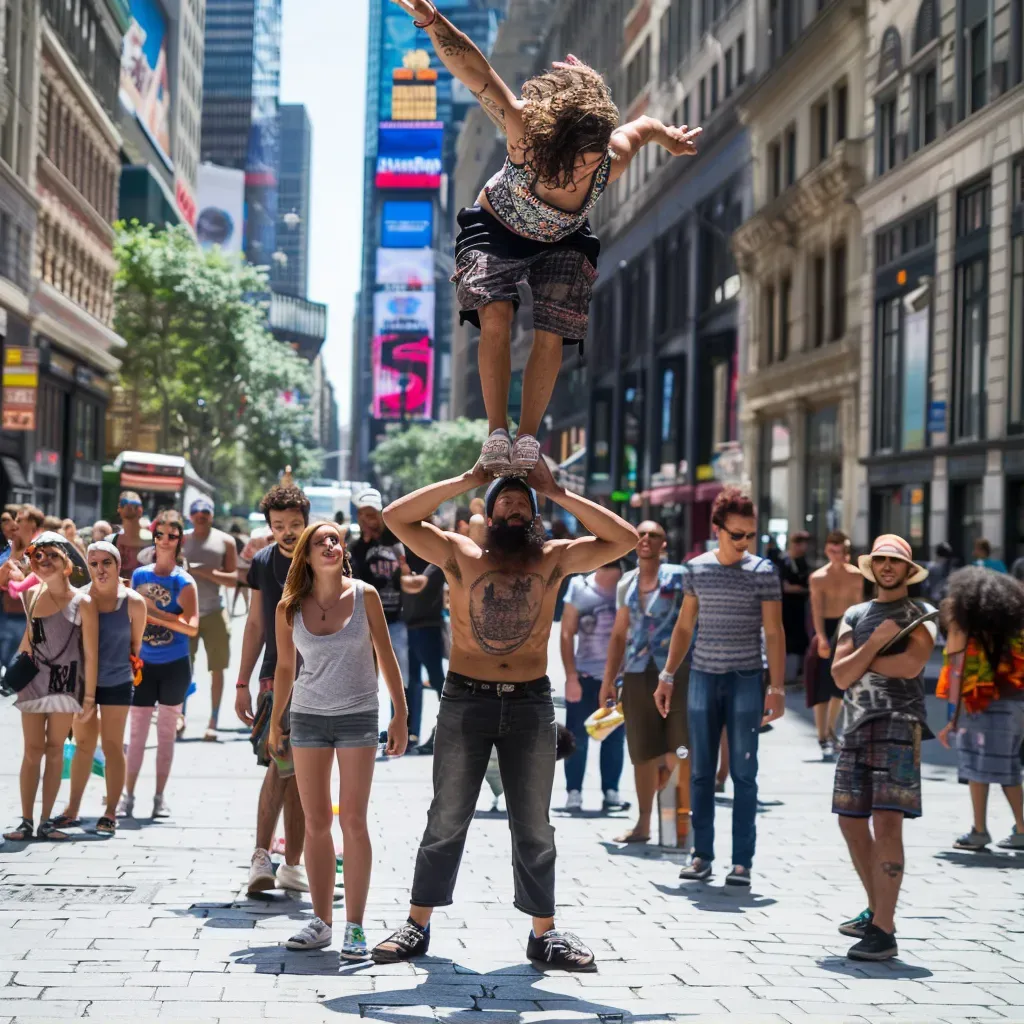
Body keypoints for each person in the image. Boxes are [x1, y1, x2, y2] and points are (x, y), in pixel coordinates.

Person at [388, 0, 700, 477]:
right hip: (496, 231)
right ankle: (497, 433)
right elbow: (477, 72)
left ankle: (528, 438)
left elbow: (644, 127)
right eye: (579, 160)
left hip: (563, 238)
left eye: (595, 159)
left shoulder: (610, 157)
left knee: (551, 332)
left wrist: (670, 139)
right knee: (496, 316)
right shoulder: (523, 134)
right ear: (552, 145)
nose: (587, 169)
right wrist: (433, 22)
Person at [370, 456, 637, 969]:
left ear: (534, 519)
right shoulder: (460, 553)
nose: (515, 509)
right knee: (446, 818)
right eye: (505, 503)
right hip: (465, 698)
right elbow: (396, 518)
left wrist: (555, 491)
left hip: (531, 702)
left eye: (524, 505)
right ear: (489, 515)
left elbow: (623, 540)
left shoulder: (553, 557)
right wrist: (469, 479)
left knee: (534, 824)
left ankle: (545, 935)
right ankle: (416, 924)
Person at [269, 521, 408, 958]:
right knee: (316, 823)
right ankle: (321, 920)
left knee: (353, 821)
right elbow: (286, 669)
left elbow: (386, 656)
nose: (330, 544)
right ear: (306, 556)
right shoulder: (289, 606)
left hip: (358, 716)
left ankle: (356, 926)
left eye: (334, 539)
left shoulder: (366, 596)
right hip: (308, 717)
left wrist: (401, 714)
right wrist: (276, 720)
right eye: (320, 541)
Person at [660, 488, 786, 887]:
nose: (744, 542)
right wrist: (666, 675)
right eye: (737, 534)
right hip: (702, 676)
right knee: (700, 771)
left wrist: (778, 688)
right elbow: (684, 626)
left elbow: (774, 630)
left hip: (747, 678)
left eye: (750, 535)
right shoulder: (696, 569)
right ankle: (701, 855)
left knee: (745, 772)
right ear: (717, 530)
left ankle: (742, 862)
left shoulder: (763, 571)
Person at [830, 534, 937, 961]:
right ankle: (878, 912)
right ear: (871, 567)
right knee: (851, 821)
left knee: (887, 822)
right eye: (880, 560)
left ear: (909, 570)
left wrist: (859, 660)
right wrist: (874, 645)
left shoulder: (921, 613)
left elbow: (911, 665)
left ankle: (884, 931)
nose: (887, 566)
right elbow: (838, 676)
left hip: (899, 724)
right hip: (854, 725)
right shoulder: (856, 614)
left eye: (895, 561)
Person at [235, 485, 310, 894]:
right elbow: (253, 624)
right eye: (279, 525)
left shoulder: (324, 556)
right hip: (273, 677)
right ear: (268, 527)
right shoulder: (263, 561)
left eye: (295, 524)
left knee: (301, 775)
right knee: (283, 763)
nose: (288, 532)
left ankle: (293, 864)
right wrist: (241, 682)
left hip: (319, 676)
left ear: (306, 522)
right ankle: (262, 856)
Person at [3, 532, 98, 842]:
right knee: (32, 751)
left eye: (53, 556)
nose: (44, 562)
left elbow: (91, 653)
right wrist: (10, 678)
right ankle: (26, 821)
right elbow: (29, 642)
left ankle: (47, 821)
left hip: (66, 683)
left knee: (55, 750)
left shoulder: (83, 602)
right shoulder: (30, 597)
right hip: (33, 682)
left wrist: (89, 697)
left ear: (67, 564)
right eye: (38, 557)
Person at [601, 523, 688, 842]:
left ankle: (676, 827)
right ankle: (643, 824)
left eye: (654, 535)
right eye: (641, 534)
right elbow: (619, 633)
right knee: (640, 751)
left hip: (676, 672)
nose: (646, 539)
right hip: (637, 673)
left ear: (664, 544)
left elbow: (693, 621)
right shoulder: (626, 583)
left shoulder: (680, 576)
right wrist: (609, 679)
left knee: (678, 750)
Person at [54, 542, 146, 834]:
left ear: (118, 565)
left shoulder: (133, 602)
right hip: (82, 685)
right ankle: (72, 809)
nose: (100, 569)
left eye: (107, 562)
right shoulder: (77, 599)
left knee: (112, 745)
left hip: (118, 681)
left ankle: (110, 812)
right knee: (82, 745)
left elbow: (135, 645)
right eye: (93, 564)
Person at [936, 567, 1024, 851]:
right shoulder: (1009, 629)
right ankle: (999, 828)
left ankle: (990, 829)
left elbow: (958, 674)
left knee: (983, 767)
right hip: (1015, 705)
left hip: (981, 706)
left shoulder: (965, 632)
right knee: (999, 765)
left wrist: (952, 720)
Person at [120, 510, 199, 819]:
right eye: (159, 535)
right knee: (136, 733)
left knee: (166, 733)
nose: (165, 541)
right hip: (143, 663)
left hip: (175, 665)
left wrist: (155, 613)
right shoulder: (140, 575)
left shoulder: (184, 582)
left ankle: (159, 797)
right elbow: (131, 618)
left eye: (172, 535)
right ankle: (127, 796)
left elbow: (192, 627)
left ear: (180, 541)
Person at [562, 561, 626, 813]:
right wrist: (570, 677)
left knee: (614, 738)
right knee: (577, 737)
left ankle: (611, 790)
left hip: (620, 679)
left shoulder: (629, 584)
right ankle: (574, 791)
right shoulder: (580, 586)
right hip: (585, 674)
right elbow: (566, 633)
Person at [348, 487, 426, 698]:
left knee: (402, 683)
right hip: (364, 621)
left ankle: (405, 726)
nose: (367, 519)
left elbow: (410, 574)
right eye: (362, 514)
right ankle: (368, 726)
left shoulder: (397, 541)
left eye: (371, 514)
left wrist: (412, 582)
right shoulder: (354, 548)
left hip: (395, 620)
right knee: (365, 682)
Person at [182, 498, 238, 741]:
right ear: (190, 516)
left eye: (205, 513)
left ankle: (213, 719)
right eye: (197, 513)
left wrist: (207, 573)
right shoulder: (181, 539)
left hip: (215, 611)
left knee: (217, 668)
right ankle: (179, 717)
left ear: (212, 515)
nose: (201, 516)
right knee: (182, 668)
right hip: (185, 612)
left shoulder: (226, 541)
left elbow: (234, 578)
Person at [807, 530, 864, 761]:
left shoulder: (857, 576)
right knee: (820, 684)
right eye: (831, 550)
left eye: (839, 550)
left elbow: (858, 608)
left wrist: (854, 636)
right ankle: (823, 735)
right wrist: (821, 637)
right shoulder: (818, 577)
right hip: (826, 629)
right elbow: (816, 610)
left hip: (847, 628)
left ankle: (830, 731)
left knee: (840, 686)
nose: (836, 554)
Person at [403, 549, 447, 747]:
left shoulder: (436, 558)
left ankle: (446, 728)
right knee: (410, 682)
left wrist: (403, 576)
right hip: (408, 627)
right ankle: (410, 732)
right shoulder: (405, 557)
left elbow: (421, 585)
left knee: (438, 680)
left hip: (428, 627)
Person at [780, 530, 811, 681]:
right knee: (788, 639)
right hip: (787, 607)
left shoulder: (803, 562)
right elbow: (786, 586)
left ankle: (798, 673)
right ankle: (787, 674)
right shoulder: (785, 561)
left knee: (801, 639)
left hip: (800, 607)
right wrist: (804, 589)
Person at [113, 491, 147, 579]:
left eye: (135, 505)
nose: (131, 507)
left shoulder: (153, 541)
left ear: (140, 510)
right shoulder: (112, 541)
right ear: (119, 509)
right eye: (124, 504)